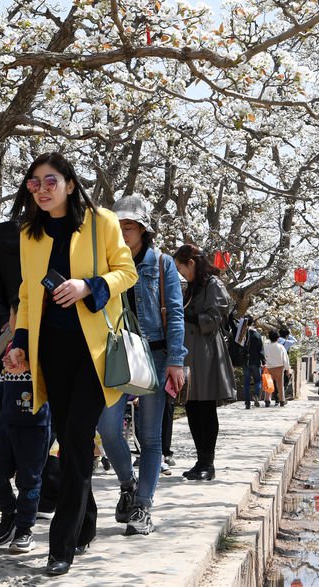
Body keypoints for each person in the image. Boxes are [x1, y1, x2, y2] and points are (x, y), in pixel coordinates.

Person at [5, 152, 138, 577]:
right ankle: (87, 520)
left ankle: (60, 546)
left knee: (77, 437)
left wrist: (89, 286)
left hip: (95, 352)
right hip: (52, 352)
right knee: (70, 438)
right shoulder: (29, 233)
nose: (42, 190)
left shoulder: (102, 222)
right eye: (34, 183)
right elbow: (27, 293)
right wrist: (20, 342)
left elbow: (126, 272)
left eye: (50, 181)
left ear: (69, 183)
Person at [97, 194, 186, 536]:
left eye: (130, 226)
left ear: (144, 230)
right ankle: (126, 485)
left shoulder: (162, 264)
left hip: (156, 355)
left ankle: (142, 506)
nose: (123, 233)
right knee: (107, 428)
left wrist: (176, 361)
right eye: (118, 227)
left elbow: (175, 314)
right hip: (116, 354)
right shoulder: (104, 263)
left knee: (150, 439)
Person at [0, 184, 60, 521]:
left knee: (0, 415)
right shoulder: (59, 236)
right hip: (44, 333)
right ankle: (43, 494)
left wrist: (5, 319)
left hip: (10, 333)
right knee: (46, 419)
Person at [0, 301, 49, 554]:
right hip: (5, 424)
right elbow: (3, 384)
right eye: (11, 314)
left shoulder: (42, 345)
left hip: (34, 426)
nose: (11, 319)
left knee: (29, 480)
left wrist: (35, 367)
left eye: (15, 314)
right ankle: (10, 512)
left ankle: (25, 529)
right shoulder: (10, 348)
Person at [173, 244, 236, 480]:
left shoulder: (213, 284)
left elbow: (214, 318)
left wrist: (184, 314)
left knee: (206, 409)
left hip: (207, 354)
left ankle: (208, 463)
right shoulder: (191, 287)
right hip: (190, 353)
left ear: (192, 264)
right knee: (192, 407)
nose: (181, 273)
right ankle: (200, 460)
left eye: (182, 268)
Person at [241, 323, 265, 409]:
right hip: (256, 362)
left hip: (246, 362)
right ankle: (256, 394)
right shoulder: (258, 336)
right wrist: (263, 361)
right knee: (258, 381)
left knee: (246, 383)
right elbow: (261, 350)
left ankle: (247, 403)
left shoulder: (243, 335)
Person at [264, 330, 288, 407]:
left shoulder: (266, 347)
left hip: (269, 367)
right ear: (278, 338)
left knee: (269, 384)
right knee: (280, 385)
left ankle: (267, 400)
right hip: (279, 368)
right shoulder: (281, 347)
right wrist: (287, 369)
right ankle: (282, 400)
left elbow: (264, 357)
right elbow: (285, 359)